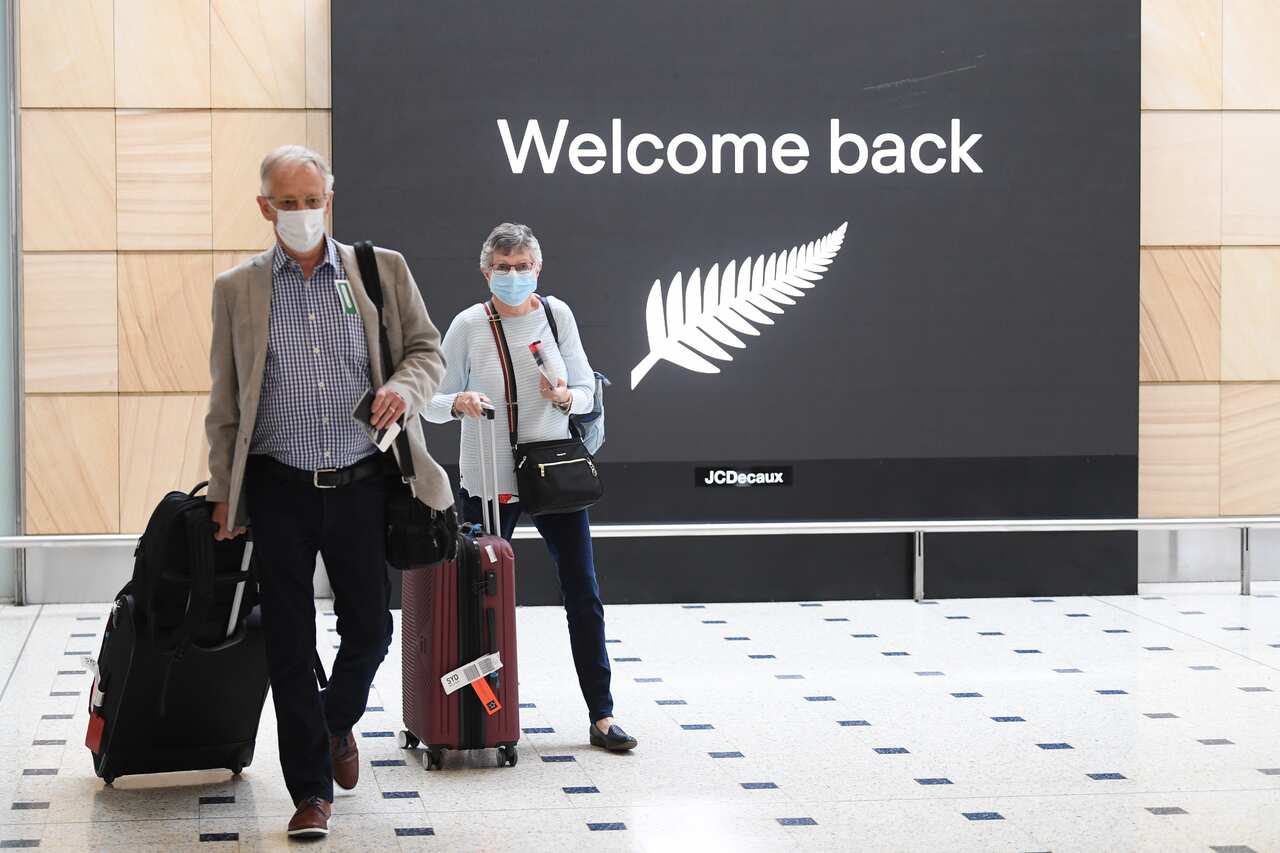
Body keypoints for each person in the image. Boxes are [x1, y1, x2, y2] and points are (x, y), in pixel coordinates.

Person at [205, 145, 453, 840]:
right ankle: (310, 791)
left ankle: (334, 719)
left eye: (312, 200)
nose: (302, 213)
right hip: (277, 486)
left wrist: (402, 389)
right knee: (287, 641)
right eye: (287, 203)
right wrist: (225, 491)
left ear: (329, 200)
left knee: (370, 627)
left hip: (361, 483)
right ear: (265, 207)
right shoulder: (238, 289)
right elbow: (225, 402)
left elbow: (426, 352)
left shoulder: (380, 270)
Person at [425, 222, 637, 753]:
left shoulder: (558, 315)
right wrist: (459, 402)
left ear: (538, 269)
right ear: (486, 272)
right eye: (503, 267)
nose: (514, 275)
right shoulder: (469, 324)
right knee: (479, 596)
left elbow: (586, 392)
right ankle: (479, 715)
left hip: (553, 471)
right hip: (490, 477)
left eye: (522, 266)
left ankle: (602, 714)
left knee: (583, 591)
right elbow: (430, 400)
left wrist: (564, 396)